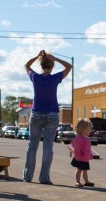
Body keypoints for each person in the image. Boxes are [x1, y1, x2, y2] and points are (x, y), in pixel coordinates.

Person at [22, 50, 72, 184]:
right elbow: (69, 67)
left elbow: (27, 66)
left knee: (32, 146)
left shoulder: (35, 77)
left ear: (41, 65)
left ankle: (28, 176)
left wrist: (37, 56)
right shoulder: (55, 78)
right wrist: (56, 58)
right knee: (48, 147)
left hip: (36, 113)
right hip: (51, 114)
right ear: (52, 66)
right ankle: (44, 178)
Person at [70, 118, 94, 188]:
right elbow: (77, 149)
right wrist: (78, 156)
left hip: (85, 159)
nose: (90, 131)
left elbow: (88, 149)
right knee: (79, 170)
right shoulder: (79, 139)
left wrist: (90, 154)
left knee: (85, 170)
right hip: (80, 158)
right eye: (89, 129)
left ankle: (86, 181)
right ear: (84, 129)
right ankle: (77, 181)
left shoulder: (86, 138)